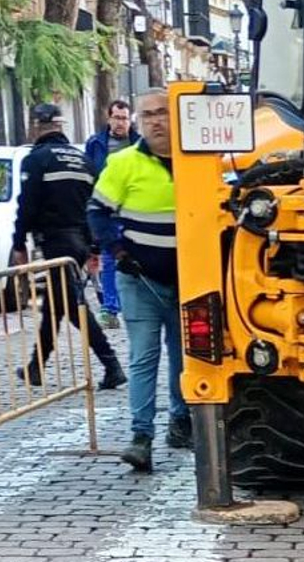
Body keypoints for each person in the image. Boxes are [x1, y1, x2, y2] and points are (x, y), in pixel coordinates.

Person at [87, 92, 187, 474]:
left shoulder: (198, 163)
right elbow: (97, 212)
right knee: (144, 357)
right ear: (138, 121)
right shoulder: (123, 162)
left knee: (184, 356)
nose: (156, 121)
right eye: (148, 115)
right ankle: (141, 437)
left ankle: (181, 423)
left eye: (163, 112)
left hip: (190, 278)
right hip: (140, 280)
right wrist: (118, 250)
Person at [11, 103, 126, 389]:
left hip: (56, 241)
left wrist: (18, 243)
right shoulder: (82, 160)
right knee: (56, 305)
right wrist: (95, 247)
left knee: (74, 306)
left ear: (36, 126)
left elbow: (26, 205)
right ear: (60, 126)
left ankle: (112, 365)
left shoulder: (36, 160)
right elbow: (96, 207)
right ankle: (36, 366)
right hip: (80, 241)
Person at [84, 99, 134, 323]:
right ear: (109, 118)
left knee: (134, 257)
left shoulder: (139, 143)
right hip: (107, 211)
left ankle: (131, 305)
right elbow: (89, 177)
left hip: (134, 211)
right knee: (109, 258)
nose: (121, 123)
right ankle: (110, 308)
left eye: (125, 118)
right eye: (117, 118)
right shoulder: (96, 143)